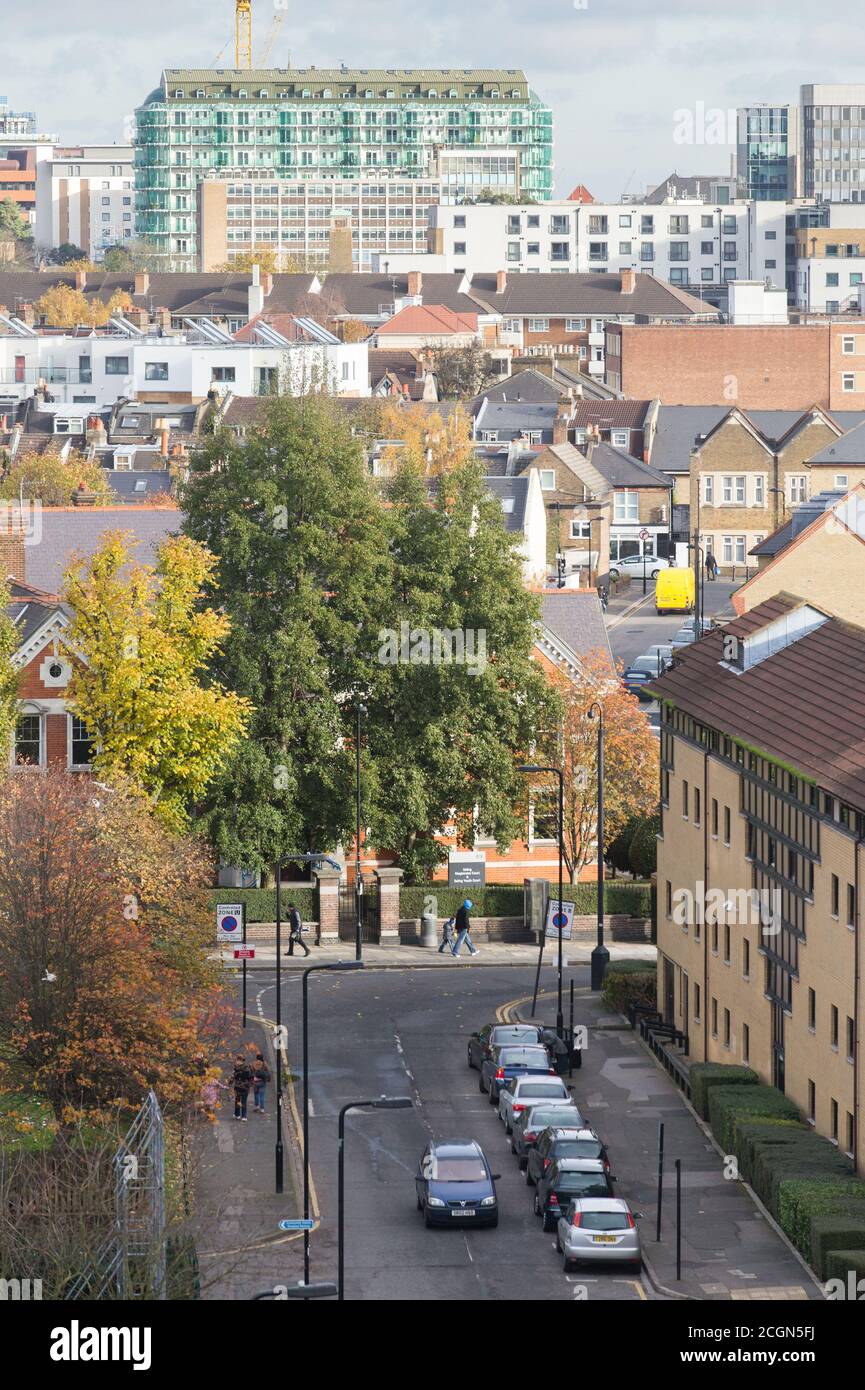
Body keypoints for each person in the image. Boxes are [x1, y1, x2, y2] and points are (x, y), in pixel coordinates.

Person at [232, 1053, 254, 1121]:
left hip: (240, 1086)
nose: (237, 1061)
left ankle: (238, 1115)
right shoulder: (246, 1068)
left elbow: (233, 1077)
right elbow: (251, 1078)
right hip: (244, 1087)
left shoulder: (238, 1069)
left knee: (239, 1101)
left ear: (241, 1060)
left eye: (238, 1060)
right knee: (240, 1101)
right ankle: (241, 1115)